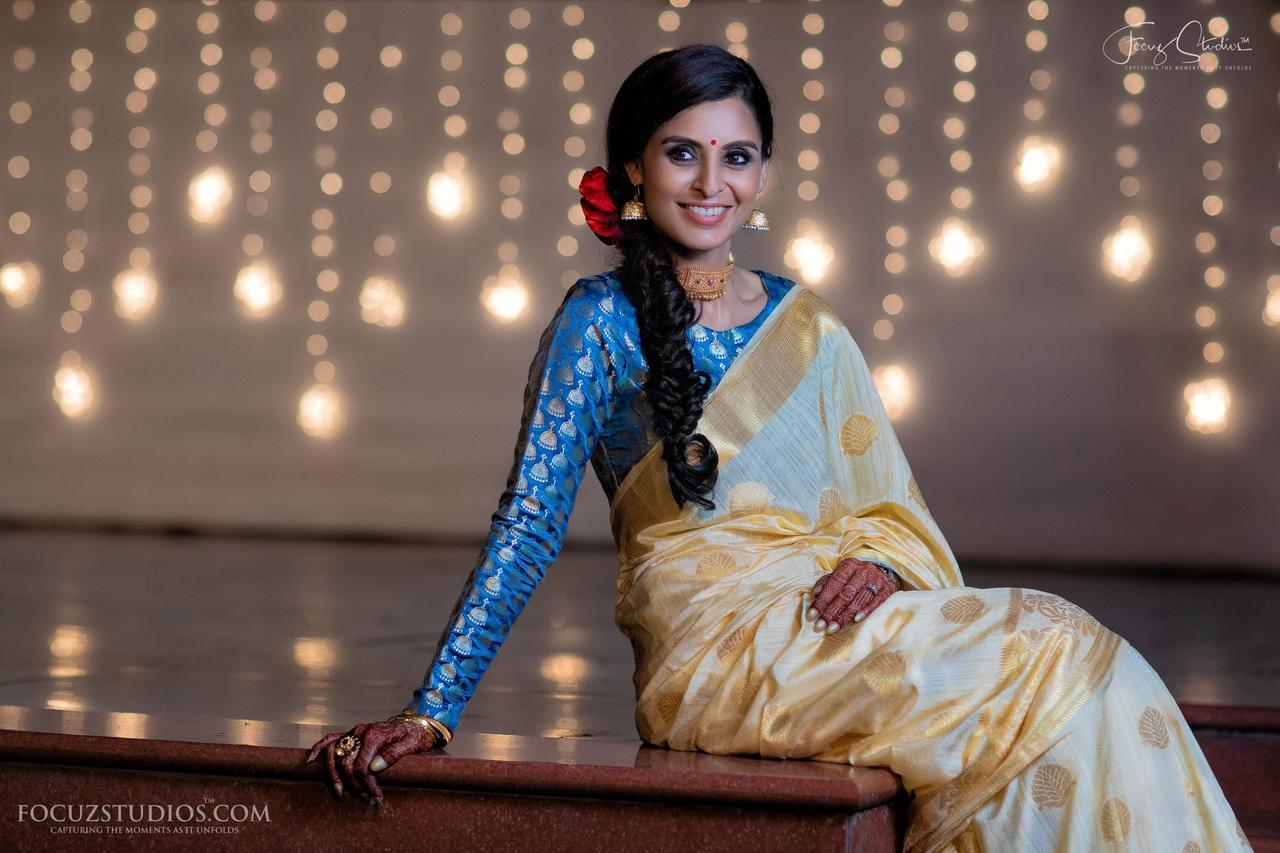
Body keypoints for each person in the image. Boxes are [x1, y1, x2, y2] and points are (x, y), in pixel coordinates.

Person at [306, 44, 1249, 851]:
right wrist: (431, 708)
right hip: (713, 658)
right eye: (682, 153)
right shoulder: (597, 324)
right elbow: (529, 520)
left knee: (1080, 655)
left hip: (829, 625)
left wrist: (881, 563)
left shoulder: (805, 321)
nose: (710, 184)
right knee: (1050, 649)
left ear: (763, 174)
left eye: (736, 156)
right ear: (632, 167)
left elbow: (886, 505)